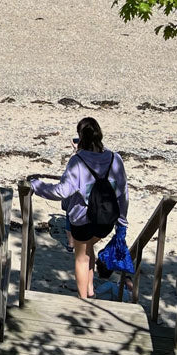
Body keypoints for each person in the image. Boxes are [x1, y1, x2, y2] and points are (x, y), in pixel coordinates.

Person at [29, 117, 128, 299]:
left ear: (80, 137)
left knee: (81, 258)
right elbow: (123, 193)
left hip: (82, 220)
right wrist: (122, 222)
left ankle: (84, 303)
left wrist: (37, 185)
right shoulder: (116, 159)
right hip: (106, 220)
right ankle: (90, 290)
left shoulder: (77, 161)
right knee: (89, 248)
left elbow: (61, 191)